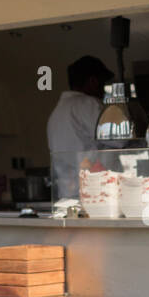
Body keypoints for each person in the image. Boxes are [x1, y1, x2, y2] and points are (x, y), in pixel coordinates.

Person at [47, 54, 114, 198]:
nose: (103, 91)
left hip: (67, 195)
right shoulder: (88, 104)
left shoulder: (57, 111)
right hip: (94, 195)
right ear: (93, 81)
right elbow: (120, 140)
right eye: (102, 84)